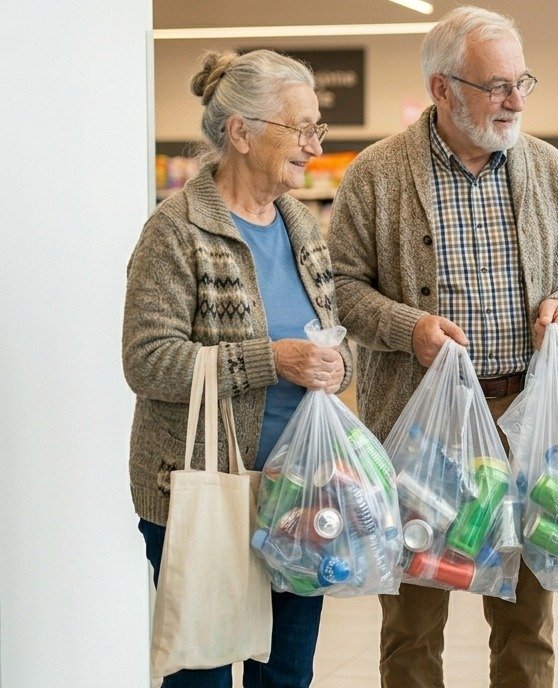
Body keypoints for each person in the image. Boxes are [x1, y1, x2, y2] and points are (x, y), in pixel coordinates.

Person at [326, 7, 558, 688]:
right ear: (442, 88)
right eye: (496, 85)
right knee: (414, 622)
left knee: (527, 621)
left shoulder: (545, 169)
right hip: (419, 428)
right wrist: (406, 327)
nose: (515, 100)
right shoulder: (377, 174)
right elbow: (338, 287)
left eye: (521, 82)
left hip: (525, 421)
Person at [123, 49, 348, 687]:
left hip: (298, 496)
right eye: (299, 128)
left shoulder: (304, 228)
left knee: (286, 676)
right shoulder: (176, 232)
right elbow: (146, 361)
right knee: (202, 677)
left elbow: (334, 339)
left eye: (316, 128)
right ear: (240, 133)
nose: (312, 144)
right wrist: (268, 361)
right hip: (202, 494)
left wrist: (334, 364)